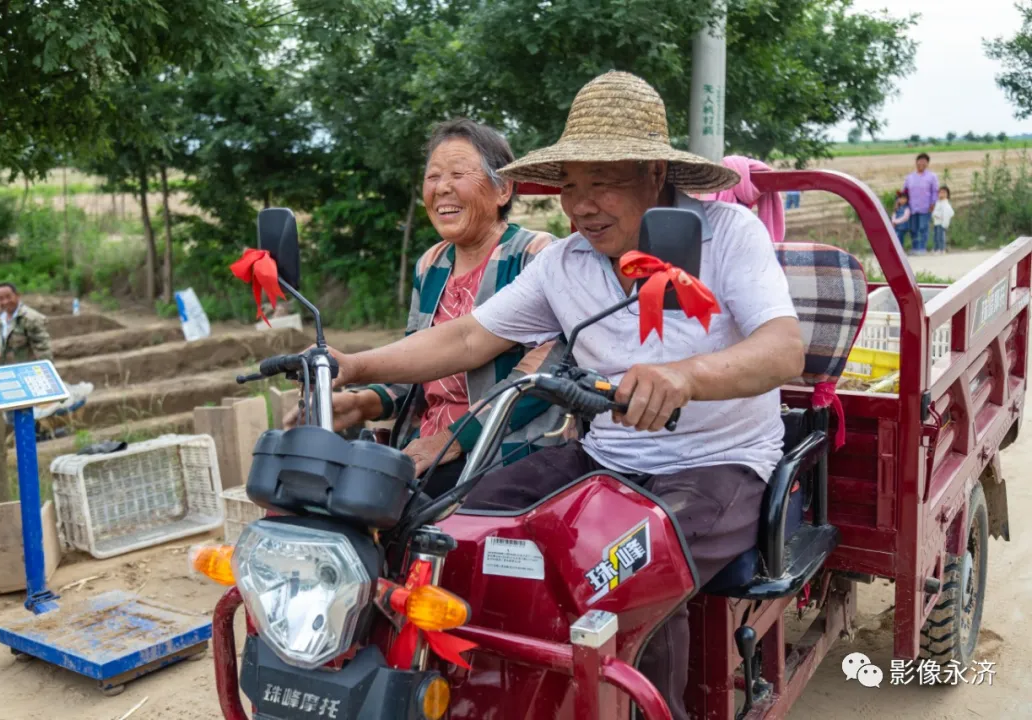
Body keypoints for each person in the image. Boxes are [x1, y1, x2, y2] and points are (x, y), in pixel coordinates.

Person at [325, 72, 804, 719]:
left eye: (601, 181)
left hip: (714, 466)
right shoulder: (566, 262)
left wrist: (685, 376)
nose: (582, 205)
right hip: (604, 458)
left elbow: (782, 349)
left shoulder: (726, 235)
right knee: (457, 531)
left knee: (622, 579)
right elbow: (468, 338)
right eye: (570, 186)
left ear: (656, 172)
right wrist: (353, 366)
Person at [285, 118, 568, 498]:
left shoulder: (536, 255)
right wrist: (361, 402)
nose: (442, 188)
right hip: (427, 448)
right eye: (433, 176)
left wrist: (453, 438)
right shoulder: (431, 264)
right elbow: (416, 373)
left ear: (503, 189)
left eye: (457, 174)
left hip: (506, 451)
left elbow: (543, 377)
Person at [0, 282, 53, 365]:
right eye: (0, 299)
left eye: (8, 297)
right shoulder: (2, 321)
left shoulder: (31, 319)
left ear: (17, 296)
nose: (5, 302)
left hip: (28, 372)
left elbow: (43, 352)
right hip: (10, 371)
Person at [902, 152, 939, 255]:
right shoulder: (910, 177)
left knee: (923, 228)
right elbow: (904, 191)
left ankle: (922, 248)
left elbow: (935, 191)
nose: (921, 164)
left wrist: (933, 203)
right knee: (913, 228)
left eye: (924, 162)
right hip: (912, 207)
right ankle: (915, 248)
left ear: (927, 164)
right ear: (916, 162)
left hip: (925, 207)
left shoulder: (932, 177)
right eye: (920, 161)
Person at [931, 185, 955, 254]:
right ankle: (936, 248)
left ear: (947, 194)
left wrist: (945, 223)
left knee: (941, 237)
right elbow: (935, 211)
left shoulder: (946, 204)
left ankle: (942, 249)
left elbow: (950, 213)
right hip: (936, 223)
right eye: (940, 192)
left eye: (944, 193)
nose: (941, 194)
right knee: (936, 237)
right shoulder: (938, 202)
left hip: (942, 223)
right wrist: (935, 215)